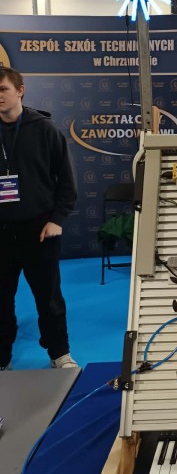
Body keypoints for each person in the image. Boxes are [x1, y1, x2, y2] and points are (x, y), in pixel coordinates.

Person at [0, 67, 78, 370]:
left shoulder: (45, 129)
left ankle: (60, 353)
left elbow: (67, 183)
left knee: (49, 299)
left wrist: (57, 219)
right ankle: (2, 358)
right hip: (1, 233)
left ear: (20, 91)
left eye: (3, 89)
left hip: (39, 230)